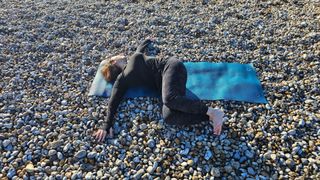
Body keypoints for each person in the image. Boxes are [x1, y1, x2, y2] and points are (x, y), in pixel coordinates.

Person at [93, 38, 225, 143]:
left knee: (169, 99)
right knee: (169, 117)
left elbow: (140, 49)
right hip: (164, 85)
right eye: (117, 56)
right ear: (113, 62)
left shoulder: (134, 58)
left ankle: (212, 111)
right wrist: (106, 125)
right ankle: (209, 117)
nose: (121, 55)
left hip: (171, 67)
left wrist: (147, 41)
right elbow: (113, 102)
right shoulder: (121, 81)